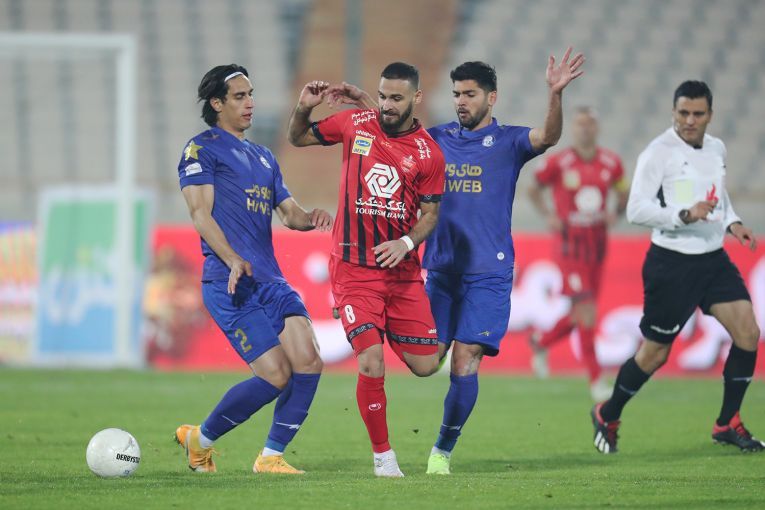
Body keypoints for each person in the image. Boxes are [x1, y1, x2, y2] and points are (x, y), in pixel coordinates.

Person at [325, 48, 584, 474]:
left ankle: (441, 452)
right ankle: (366, 313)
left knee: (466, 360)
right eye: (456, 94)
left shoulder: (509, 143)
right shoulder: (436, 139)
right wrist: (365, 102)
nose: (461, 101)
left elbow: (548, 137)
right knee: (427, 364)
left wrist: (555, 94)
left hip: (488, 273)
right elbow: (392, 130)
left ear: (491, 98)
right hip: (441, 271)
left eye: (470, 94)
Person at [287, 62, 446, 477]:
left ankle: (378, 322)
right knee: (371, 361)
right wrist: (304, 107)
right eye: (383, 96)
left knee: (427, 366)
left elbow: (430, 215)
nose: (387, 105)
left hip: (402, 273)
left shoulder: (429, 153)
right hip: (353, 269)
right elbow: (298, 137)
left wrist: (406, 242)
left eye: (397, 98)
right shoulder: (355, 124)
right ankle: (383, 458)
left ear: (416, 98)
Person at [174, 64, 332, 474]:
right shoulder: (201, 150)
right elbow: (200, 214)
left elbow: (289, 214)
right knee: (276, 375)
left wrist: (310, 217)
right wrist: (231, 258)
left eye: (251, 95)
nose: (250, 103)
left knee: (309, 360)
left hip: (270, 280)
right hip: (229, 282)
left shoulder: (263, 157)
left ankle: (271, 457)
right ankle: (200, 441)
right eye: (240, 96)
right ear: (217, 103)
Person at [591, 80, 763, 454]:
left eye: (697, 114)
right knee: (655, 354)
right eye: (683, 112)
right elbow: (636, 209)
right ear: (673, 112)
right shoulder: (658, 153)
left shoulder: (716, 148)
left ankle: (727, 422)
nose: (689, 120)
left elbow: (717, 194)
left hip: (713, 259)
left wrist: (732, 222)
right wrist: (684, 214)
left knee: (748, 333)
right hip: (671, 263)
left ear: (710, 115)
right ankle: (608, 412)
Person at [528, 106, 628, 402]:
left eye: (589, 124)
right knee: (587, 311)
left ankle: (542, 341)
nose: (585, 129)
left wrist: (616, 212)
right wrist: (549, 215)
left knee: (580, 313)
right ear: (574, 128)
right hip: (569, 246)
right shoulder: (560, 162)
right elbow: (533, 189)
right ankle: (596, 379)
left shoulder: (611, 162)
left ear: (596, 128)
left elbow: (623, 190)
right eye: (580, 124)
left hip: (597, 245)